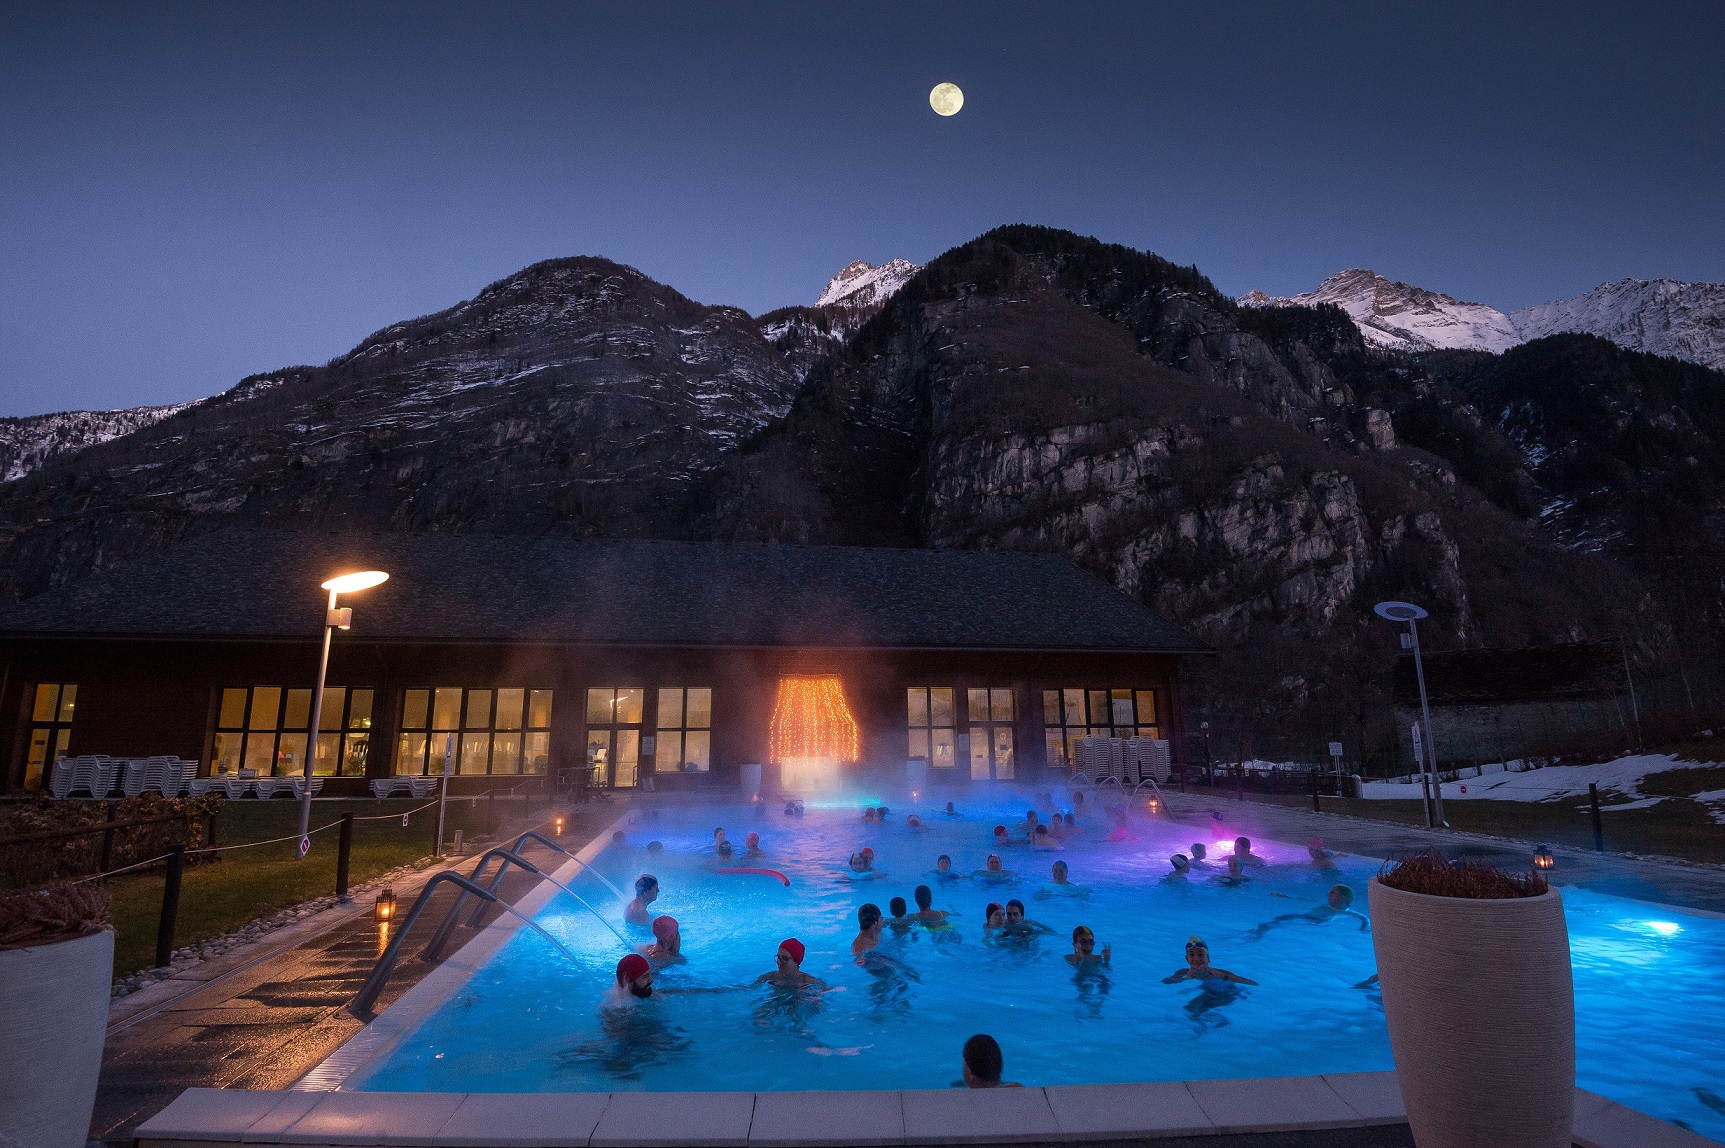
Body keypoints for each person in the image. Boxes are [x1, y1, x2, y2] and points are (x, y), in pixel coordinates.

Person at [1247, 884, 1370, 939]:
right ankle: (1257, 933)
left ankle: (1256, 935)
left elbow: (1364, 918)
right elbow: (1305, 899)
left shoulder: (1345, 912)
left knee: (1271, 924)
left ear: (1342, 898)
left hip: (1313, 922)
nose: (1328, 894)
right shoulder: (1325, 906)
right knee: (1273, 922)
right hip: (1305, 917)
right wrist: (1283, 896)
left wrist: (1363, 929)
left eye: (1332, 892)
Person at [1162, 936, 1256, 986]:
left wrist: (1213, 972)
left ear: (1208, 958)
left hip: (1225, 994)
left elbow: (1248, 982)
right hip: (1206, 993)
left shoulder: (1221, 972)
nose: (1196, 958)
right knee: (1190, 1009)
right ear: (1187, 959)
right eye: (1192, 955)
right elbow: (1166, 982)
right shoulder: (1183, 972)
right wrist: (1188, 978)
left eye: (1200, 954)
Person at [752, 937, 826, 989]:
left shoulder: (806, 980)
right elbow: (750, 988)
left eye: (784, 958)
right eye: (778, 957)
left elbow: (826, 990)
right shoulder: (770, 977)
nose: (779, 962)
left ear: (796, 962)